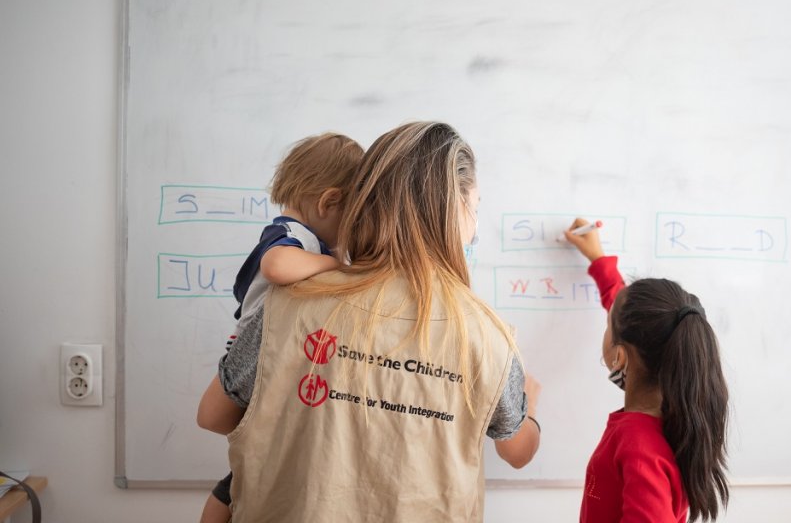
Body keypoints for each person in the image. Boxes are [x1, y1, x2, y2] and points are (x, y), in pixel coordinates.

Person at [199, 121, 540, 523]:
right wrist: (529, 400)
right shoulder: (485, 334)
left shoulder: (290, 302)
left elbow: (215, 416)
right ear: (455, 211)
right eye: (476, 207)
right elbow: (517, 450)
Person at [196, 132, 364, 523]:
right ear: (329, 202)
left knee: (252, 463)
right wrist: (338, 265)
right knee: (251, 459)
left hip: (276, 358)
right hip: (253, 352)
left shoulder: (308, 240)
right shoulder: (290, 236)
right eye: (352, 218)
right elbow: (277, 267)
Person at [564, 218, 730, 522]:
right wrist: (600, 261)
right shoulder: (669, 416)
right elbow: (628, 315)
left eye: (607, 326)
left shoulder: (640, 450)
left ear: (621, 357)